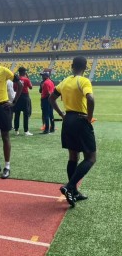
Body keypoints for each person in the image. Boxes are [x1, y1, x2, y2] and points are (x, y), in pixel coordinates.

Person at [49, 56, 96, 207]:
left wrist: (62, 114)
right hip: (80, 121)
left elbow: (51, 98)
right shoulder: (83, 81)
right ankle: (69, 186)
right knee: (91, 158)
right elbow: (91, 99)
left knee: (73, 156)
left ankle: (74, 192)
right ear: (86, 67)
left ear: (71, 66)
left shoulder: (65, 81)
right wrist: (89, 117)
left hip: (67, 120)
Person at [13, 67, 33, 136]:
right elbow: (31, 87)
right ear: (24, 72)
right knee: (26, 114)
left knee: (17, 114)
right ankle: (26, 131)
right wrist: (28, 78)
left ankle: (16, 130)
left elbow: (14, 89)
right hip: (25, 97)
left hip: (18, 97)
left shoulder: (16, 80)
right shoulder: (26, 79)